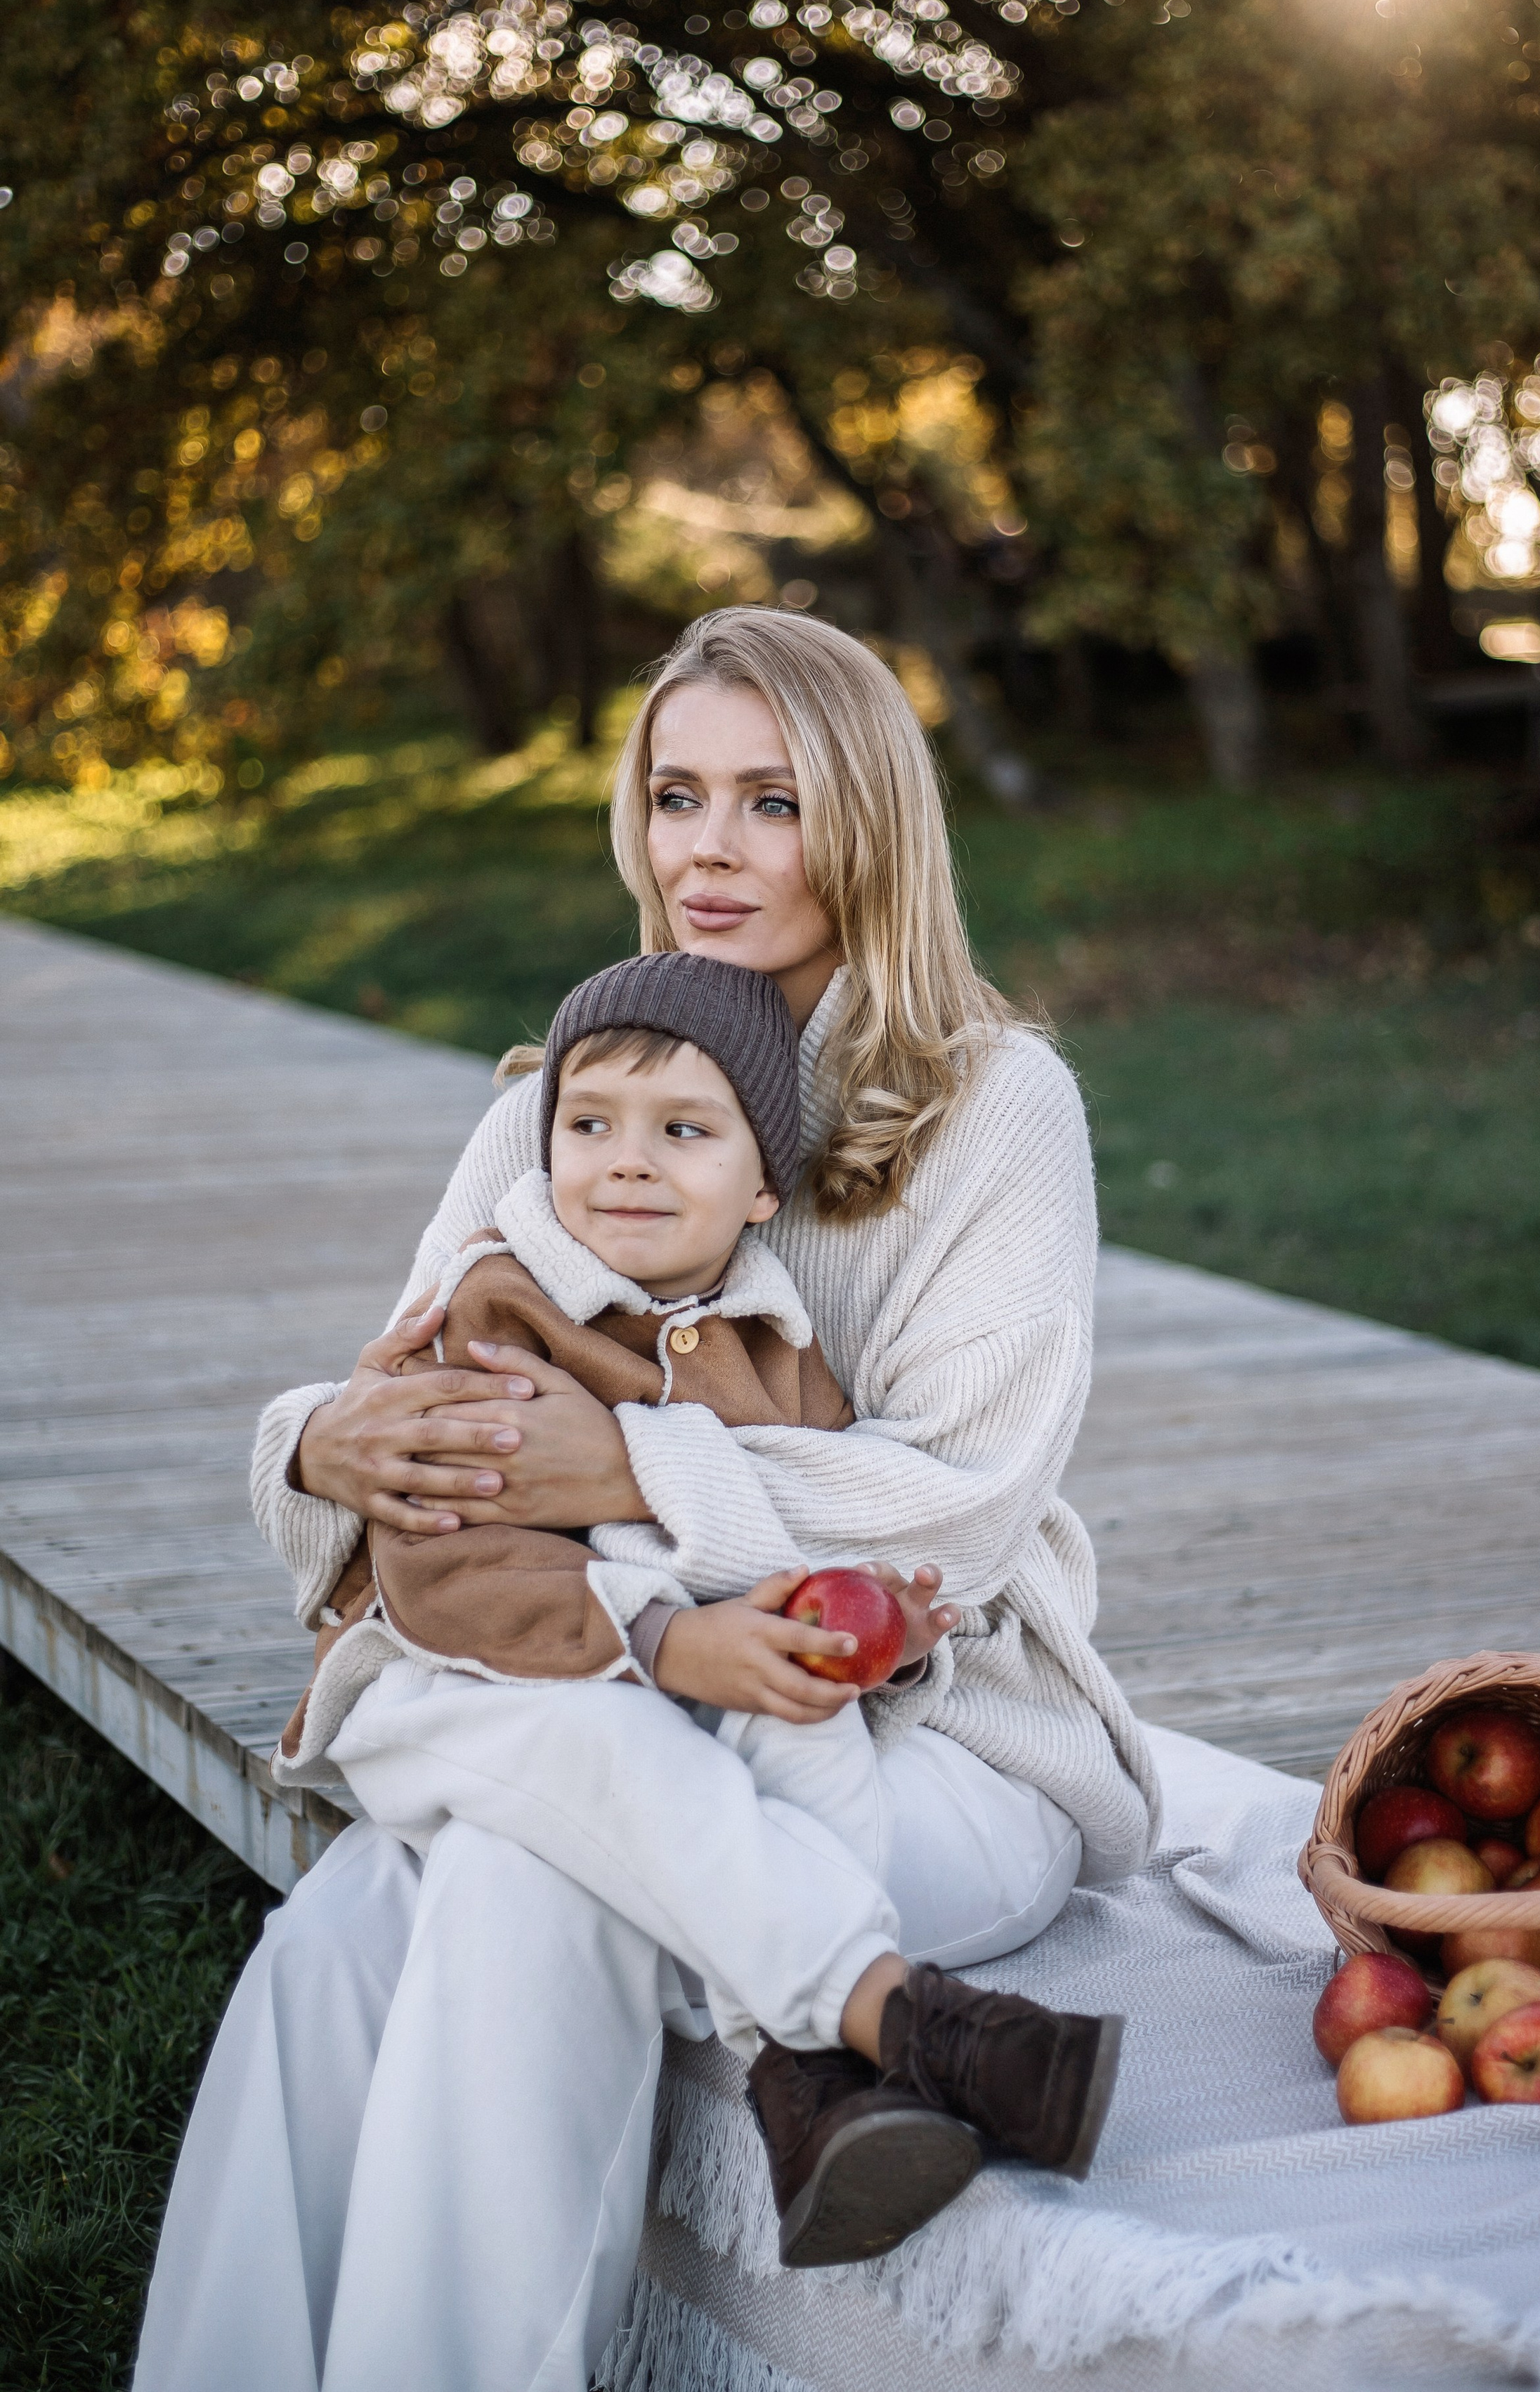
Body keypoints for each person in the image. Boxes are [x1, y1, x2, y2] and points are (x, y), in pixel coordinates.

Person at [135, 608, 1161, 2392]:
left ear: (867, 824)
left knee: (519, 1893)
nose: (708, 847)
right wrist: (312, 1439)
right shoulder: (566, 1089)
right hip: (588, 1678)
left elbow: (966, 1507)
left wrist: (624, 1466)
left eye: (771, 800)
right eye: (676, 794)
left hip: (923, 1728)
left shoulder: (997, 1106)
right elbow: (411, 1383)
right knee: (331, 1950)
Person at [274, 946, 957, 1953]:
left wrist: (869, 1630)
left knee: (813, 1732)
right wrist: (668, 1643)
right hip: (461, 1675)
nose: (628, 1160)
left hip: (660, 1674)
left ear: (765, 1184)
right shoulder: (498, 1308)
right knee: (628, 1761)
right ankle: (851, 2021)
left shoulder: (780, 1345)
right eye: (589, 1124)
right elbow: (443, 1557)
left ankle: (815, 2045)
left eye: (683, 1130)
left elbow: (792, 1531)